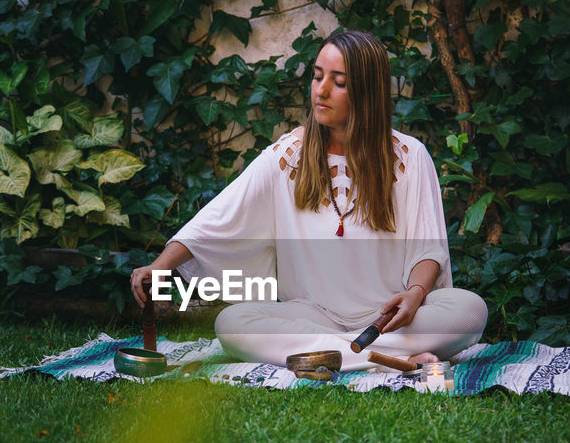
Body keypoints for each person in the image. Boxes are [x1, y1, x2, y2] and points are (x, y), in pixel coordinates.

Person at [129, 30, 487, 371]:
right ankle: (387, 357)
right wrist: (161, 265)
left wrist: (415, 294)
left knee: (470, 311)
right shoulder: (288, 155)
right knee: (232, 323)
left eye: (339, 82)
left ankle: (334, 351)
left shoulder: (410, 156)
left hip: (387, 317)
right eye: (317, 77)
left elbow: (428, 249)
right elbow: (219, 218)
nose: (322, 90)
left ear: (367, 92)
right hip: (311, 314)